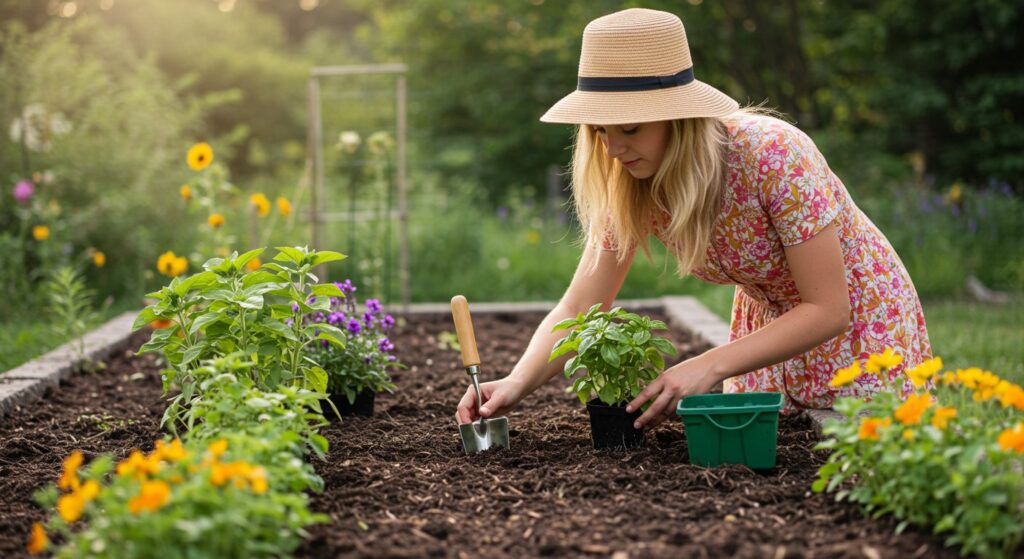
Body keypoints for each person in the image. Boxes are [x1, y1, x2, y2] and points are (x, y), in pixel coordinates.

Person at [455, 8, 931, 431]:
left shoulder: (774, 156)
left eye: (630, 128)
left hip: (860, 326)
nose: (613, 148)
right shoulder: (632, 179)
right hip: (766, 334)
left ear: (679, 118)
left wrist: (707, 365)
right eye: (600, 130)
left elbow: (828, 309)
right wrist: (517, 382)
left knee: (860, 476)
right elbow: (581, 305)